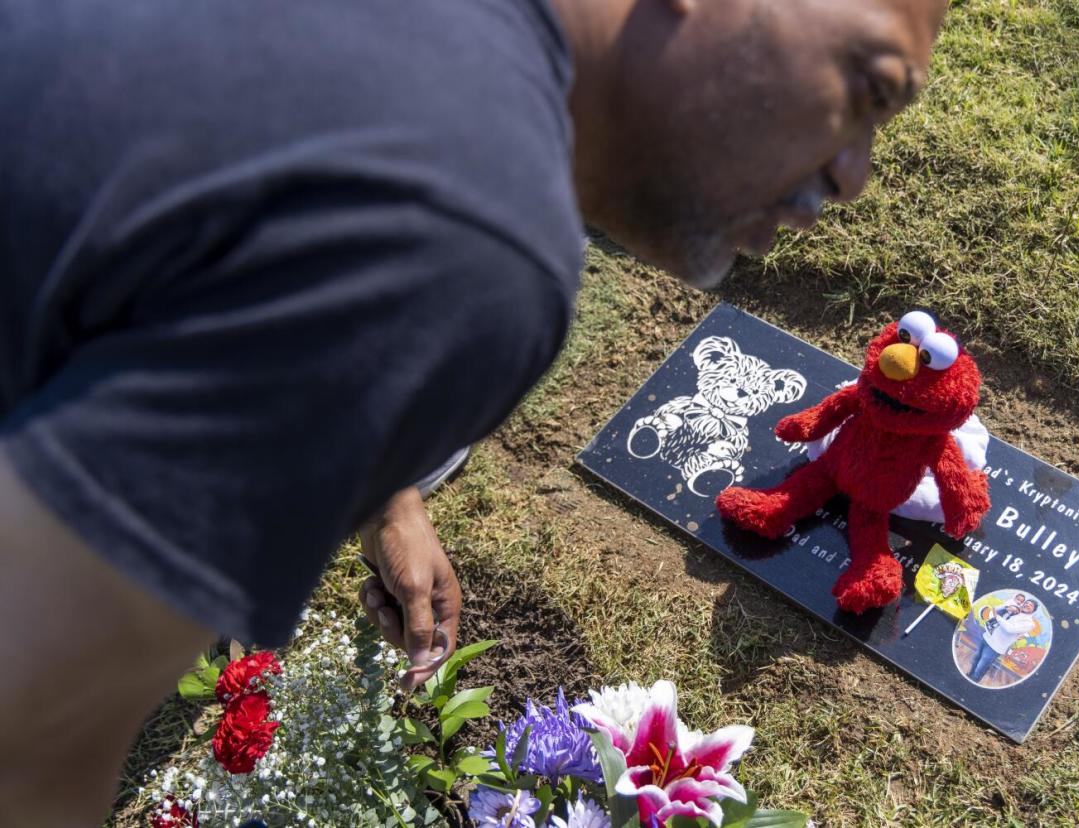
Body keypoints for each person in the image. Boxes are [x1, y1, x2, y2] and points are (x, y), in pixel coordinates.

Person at [0, 0, 949, 821]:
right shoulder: (471, 242)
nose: (853, 174)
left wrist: (384, 497)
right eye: (868, 86)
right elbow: (28, 736)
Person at [969, 599, 1040, 683]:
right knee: (976, 659)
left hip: (996, 647)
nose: (1027, 605)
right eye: (1026, 603)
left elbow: (1010, 629)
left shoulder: (1029, 623)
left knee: (981, 667)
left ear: (1033, 610)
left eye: (1030, 605)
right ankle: (968, 676)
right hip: (987, 638)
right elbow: (995, 610)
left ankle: (971, 684)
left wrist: (997, 617)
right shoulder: (1015, 610)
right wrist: (1007, 608)